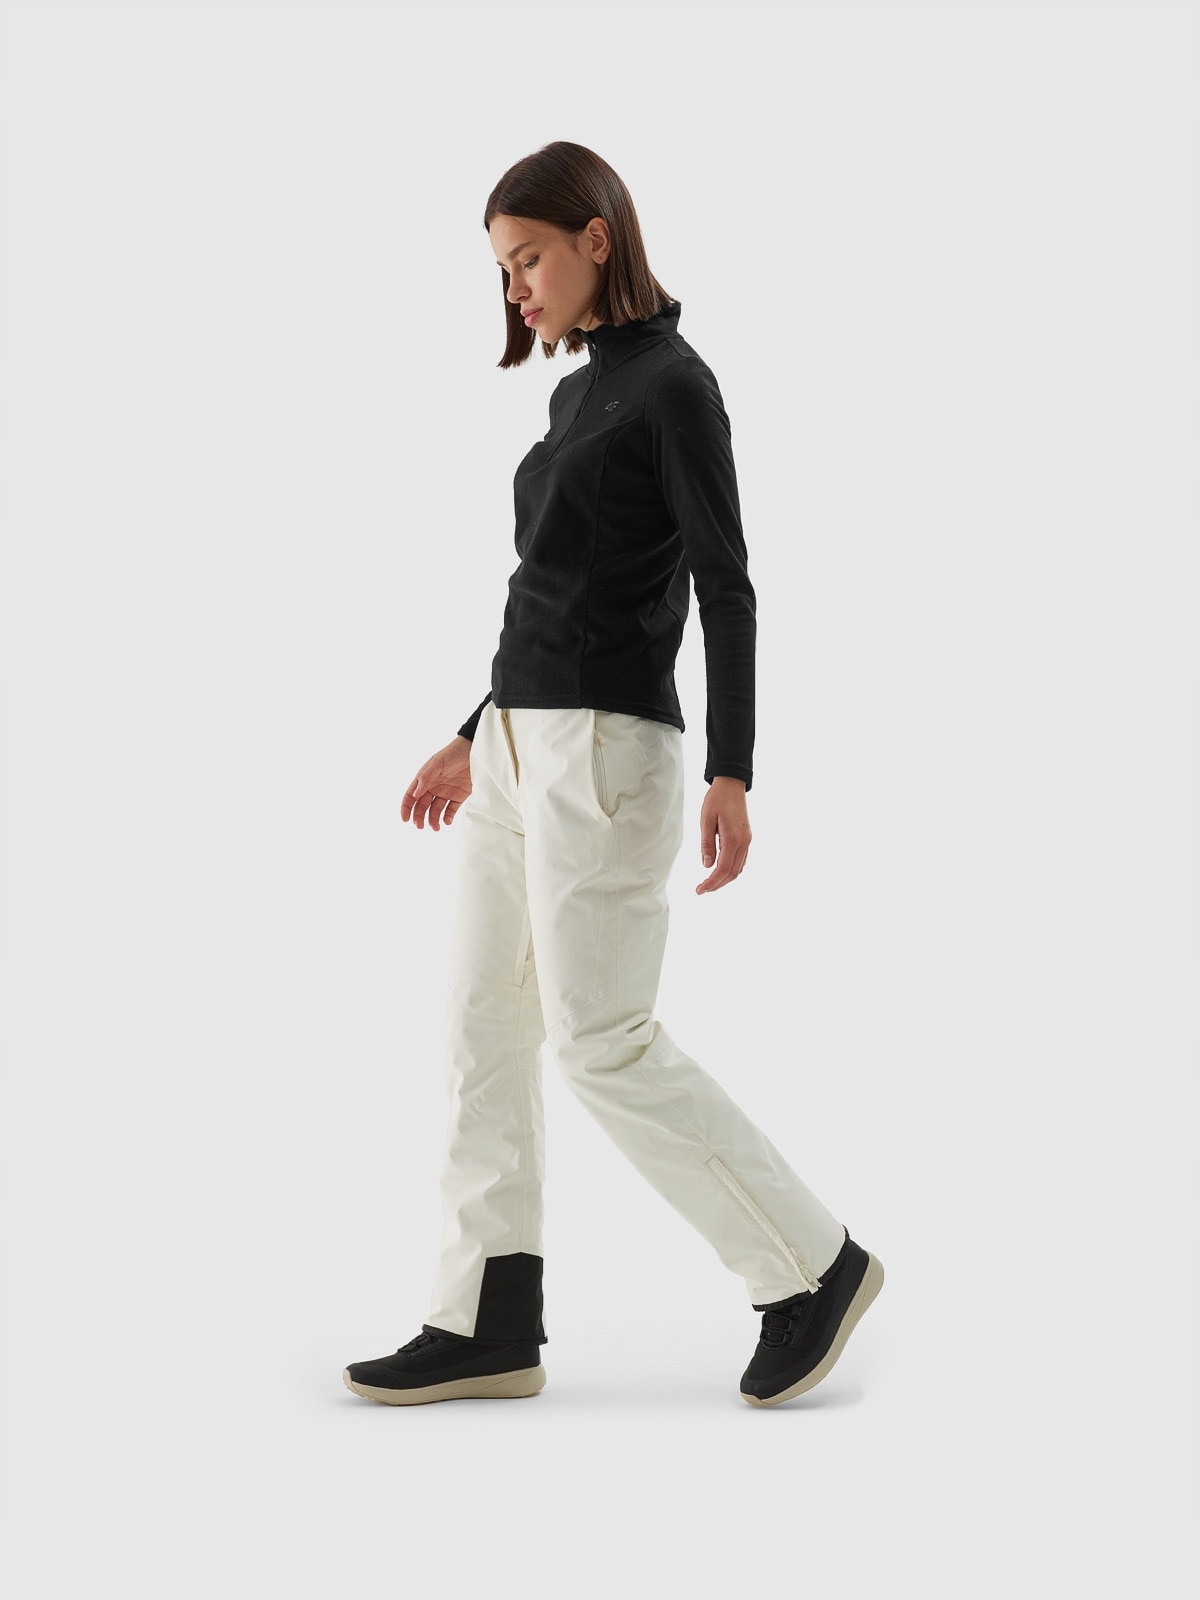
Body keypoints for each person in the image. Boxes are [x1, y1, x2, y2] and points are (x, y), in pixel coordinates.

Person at [343, 141, 883, 1409]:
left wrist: (734, 769)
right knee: (484, 1027)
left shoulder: (676, 389)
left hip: (606, 750)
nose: (514, 288)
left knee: (601, 1041)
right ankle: (486, 1315)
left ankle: (814, 1265)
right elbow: (550, 589)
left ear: (597, 239)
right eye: (501, 269)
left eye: (527, 259)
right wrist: (473, 727)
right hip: (515, 744)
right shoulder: (576, 395)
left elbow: (727, 587)